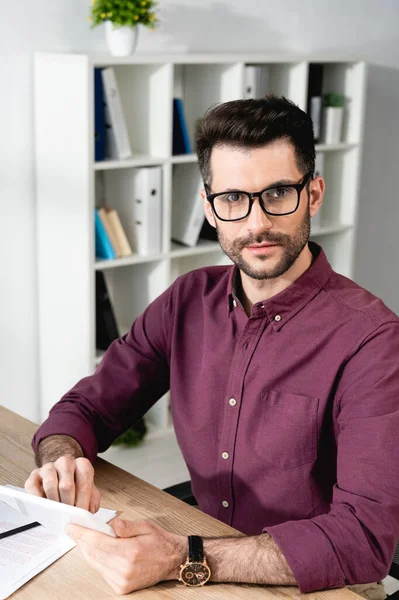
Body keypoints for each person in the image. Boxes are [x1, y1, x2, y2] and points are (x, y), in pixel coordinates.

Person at [26, 95, 399, 598]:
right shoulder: (187, 299)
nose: (256, 222)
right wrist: (61, 458)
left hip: (320, 585)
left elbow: (364, 540)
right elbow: (87, 407)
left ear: (313, 194)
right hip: (202, 556)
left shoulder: (373, 341)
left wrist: (187, 555)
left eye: (278, 193)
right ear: (209, 206)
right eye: (232, 199)